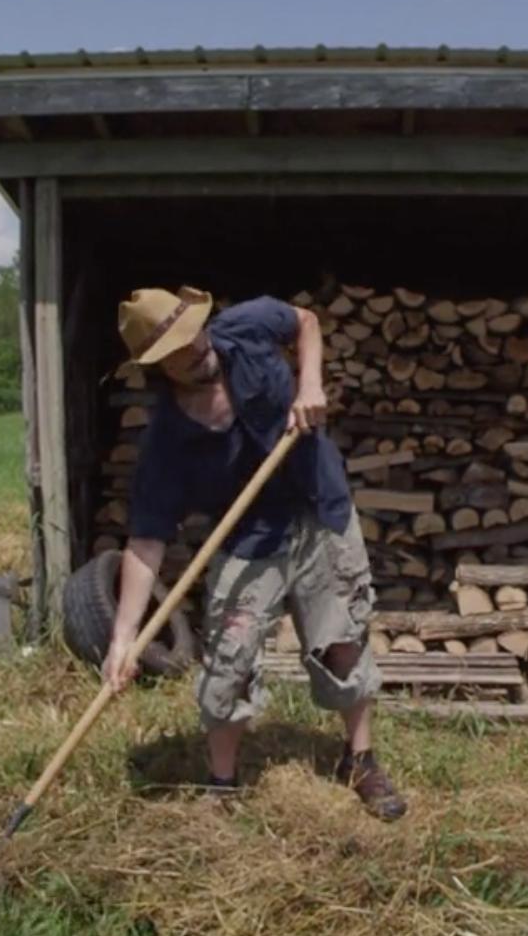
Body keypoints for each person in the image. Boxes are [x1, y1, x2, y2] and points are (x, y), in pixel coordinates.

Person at [102, 285, 408, 821]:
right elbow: (146, 542)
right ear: (156, 364)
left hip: (320, 510)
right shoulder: (167, 442)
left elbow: (305, 321)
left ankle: (360, 760)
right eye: (177, 347)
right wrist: (123, 638)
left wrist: (309, 384)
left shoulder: (245, 328)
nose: (195, 348)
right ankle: (222, 783)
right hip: (248, 539)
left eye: (192, 332)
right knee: (230, 657)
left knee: (343, 640)